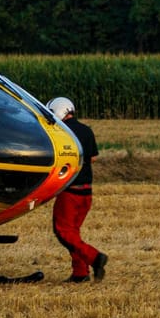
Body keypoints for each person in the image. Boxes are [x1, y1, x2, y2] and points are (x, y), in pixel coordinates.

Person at [47, 96, 106, 283]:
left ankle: (95, 257)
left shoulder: (60, 132)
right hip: (87, 192)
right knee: (74, 233)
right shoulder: (87, 130)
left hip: (70, 192)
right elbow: (93, 158)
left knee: (63, 231)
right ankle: (80, 273)